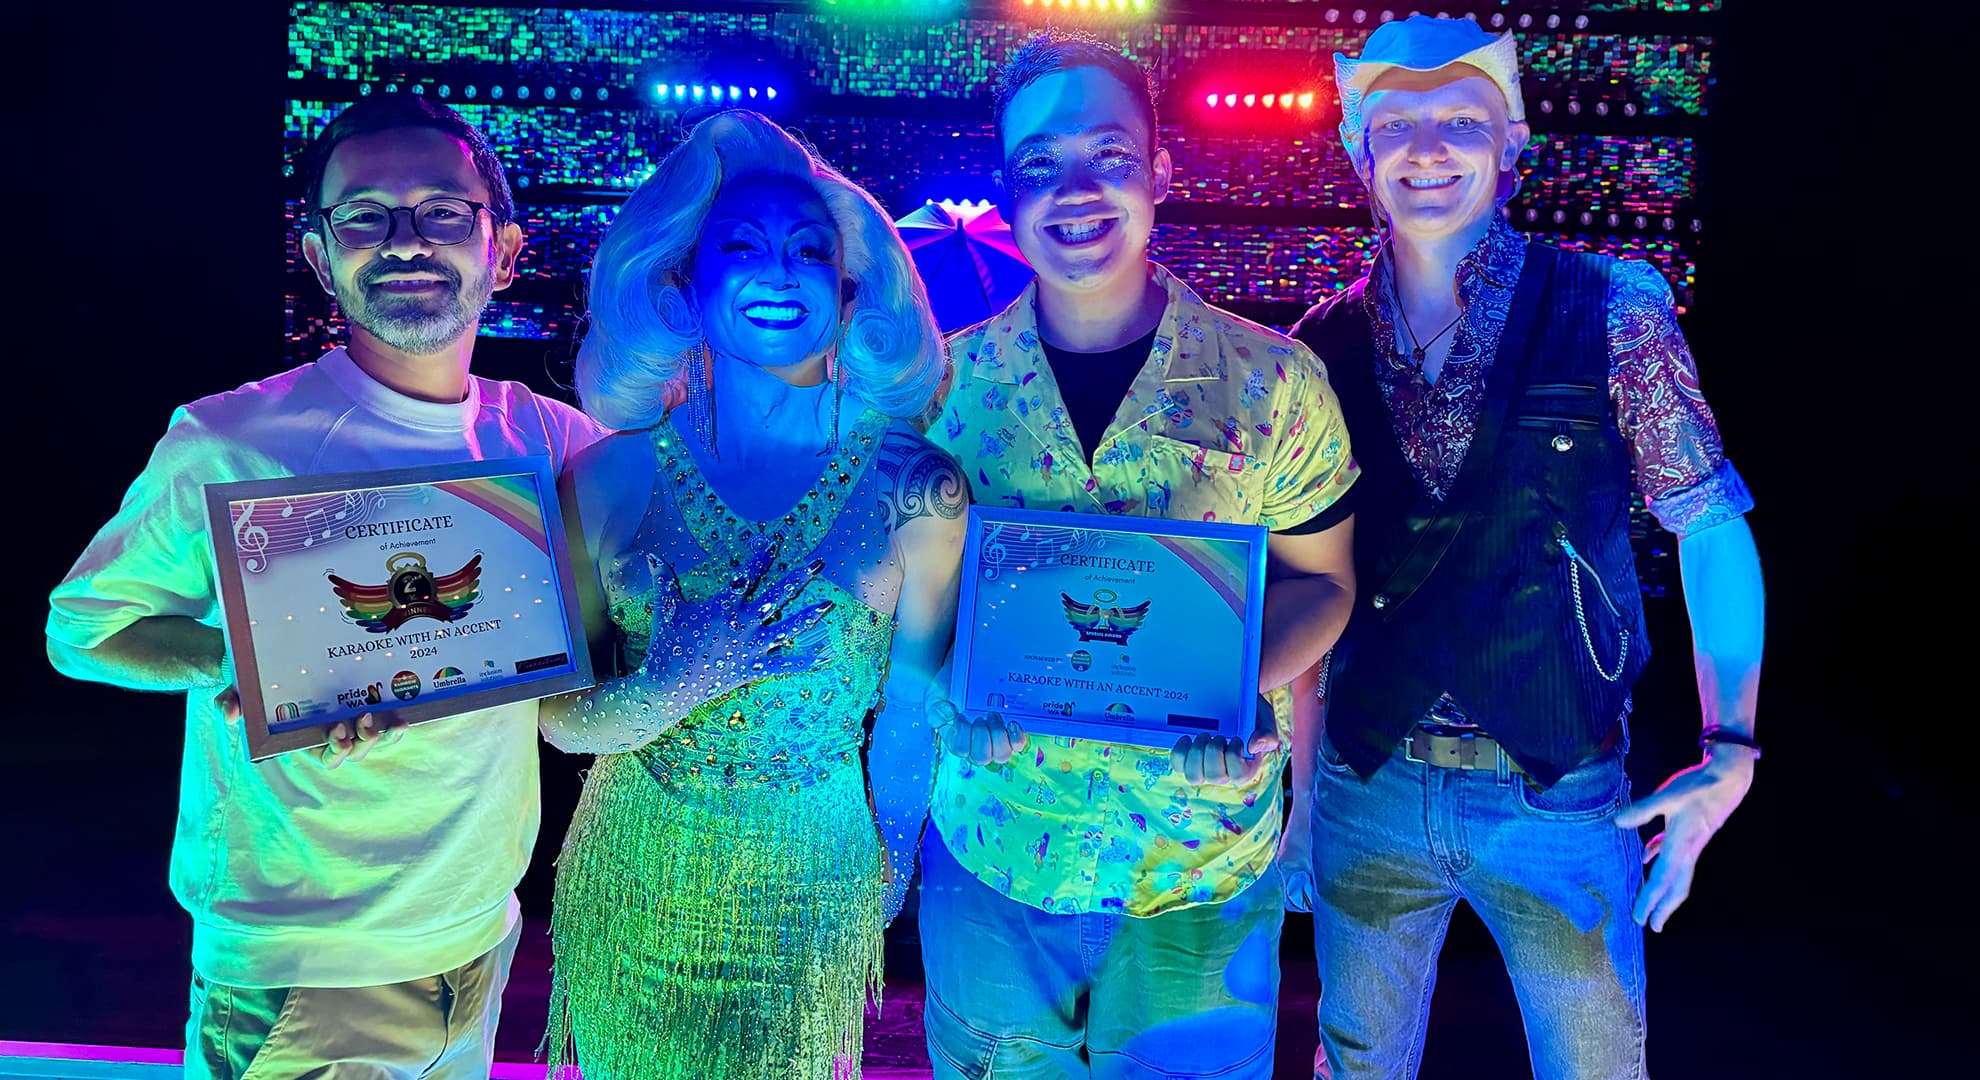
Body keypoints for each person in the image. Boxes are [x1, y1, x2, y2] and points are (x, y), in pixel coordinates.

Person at [44, 95, 601, 1078]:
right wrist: (246, 661)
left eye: (442, 211)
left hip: (476, 935)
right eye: (366, 216)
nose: (406, 241)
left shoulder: (547, 440)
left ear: (503, 249)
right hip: (302, 959)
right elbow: (82, 630)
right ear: (317, 254)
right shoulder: (230, 440)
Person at [1288, 15, 1764, 1078]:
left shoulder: (1615, 306)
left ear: (1512, 146)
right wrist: (1302, 794)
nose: (1428, 148)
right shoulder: (1316, 345)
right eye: (1396, 124)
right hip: (1371, 787)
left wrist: (1731, 744)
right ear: (1359, 151)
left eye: (1461, 120)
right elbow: (1309, 590)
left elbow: (1710, 520)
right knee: (1355, 1065)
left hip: (1560, 785)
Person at [916, 30, 1359, 1078]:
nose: (1076, 189)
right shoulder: (946, 390)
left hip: (1197, 861)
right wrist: (947, 692)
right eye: (1040, 164)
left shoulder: (1273, 383)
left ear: (1159, 170)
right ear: (1008, 187)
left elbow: (1324, 583)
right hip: (999, 844)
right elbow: (915, 607)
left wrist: (1228, 682)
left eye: (1108, 153)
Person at [535, 109, 963, 1079]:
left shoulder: (919, 488)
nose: (778, 271)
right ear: (684, 286)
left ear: (848, 295)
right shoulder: (605, 481)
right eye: (742, 248)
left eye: (808, 251)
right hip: (635, 861)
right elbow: (559, 718)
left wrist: (884, 877)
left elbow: (912, 706)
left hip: (816, 868)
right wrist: (678, 682)